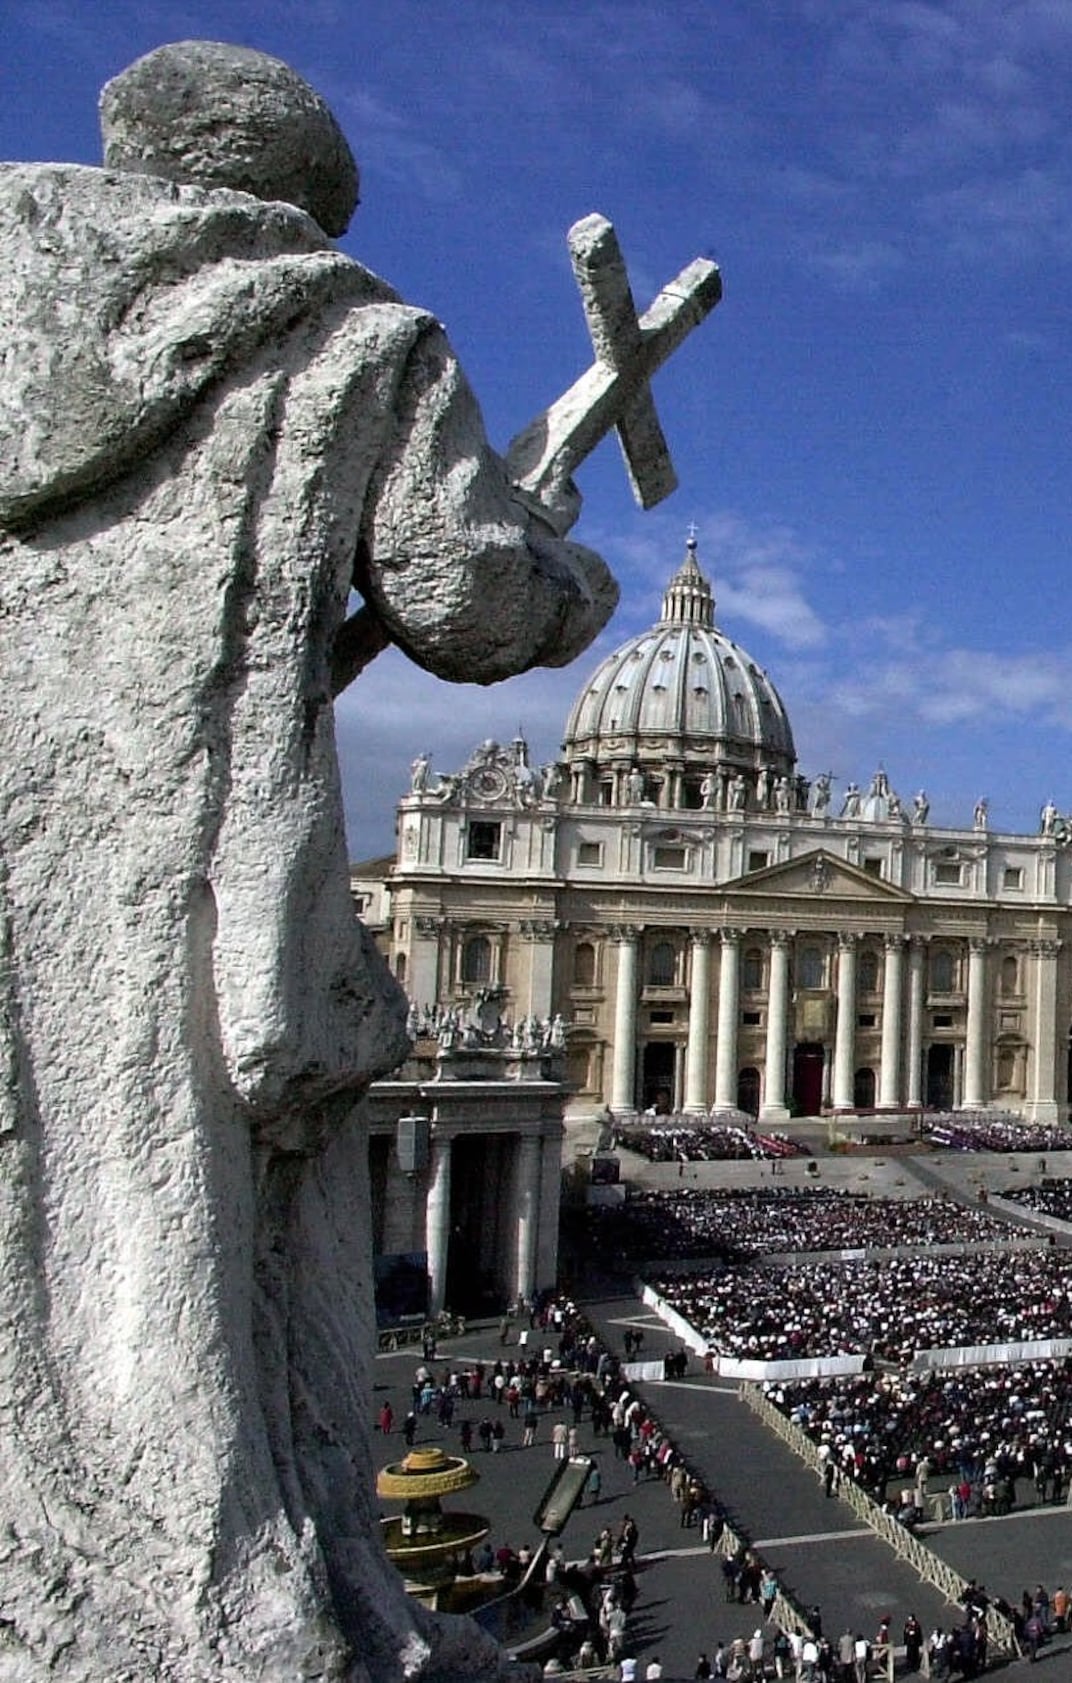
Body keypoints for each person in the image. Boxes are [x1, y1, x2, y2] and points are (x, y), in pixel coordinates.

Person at [0, 39, 623, 1680]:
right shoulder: (345, 329)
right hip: (194, 855)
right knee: (188, 1222)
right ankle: (212, 1595)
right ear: (310, 194)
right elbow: (470, 597)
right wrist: (566, 569)